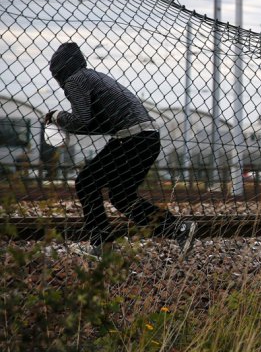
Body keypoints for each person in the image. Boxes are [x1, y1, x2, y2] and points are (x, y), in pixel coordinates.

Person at [46, 42, 196, 259]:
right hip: (147, 137)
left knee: (86, 182)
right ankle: (178, 229)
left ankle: (102, 246)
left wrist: (57, 116)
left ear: (59, 70)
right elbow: (96, 125)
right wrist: (67, 123)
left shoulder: (75, 80)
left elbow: (82, 120)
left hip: (132, 138)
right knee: (121, 196)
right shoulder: (94, 77)